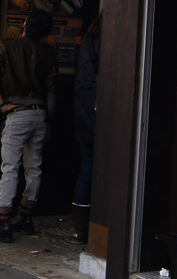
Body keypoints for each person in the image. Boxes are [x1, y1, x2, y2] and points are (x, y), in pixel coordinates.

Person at [0, 7, 57, 243]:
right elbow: (53, 91)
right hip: (39, 114)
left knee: (10, 167)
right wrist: (48, 119)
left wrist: (0, 103)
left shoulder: (8, 46)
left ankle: (3, 220)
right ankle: (26, 215)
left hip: (17, 112)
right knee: (33, 167)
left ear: (26, 25)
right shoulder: (48, 53)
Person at [72, 13, 102, 243]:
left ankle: (80, 226)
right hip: (97, 111)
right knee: (95, 168)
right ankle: (92, 226)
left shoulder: (88, 42)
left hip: (83, 109)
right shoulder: (105, 45)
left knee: (86, 166)